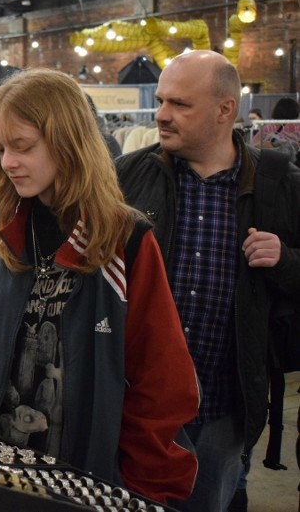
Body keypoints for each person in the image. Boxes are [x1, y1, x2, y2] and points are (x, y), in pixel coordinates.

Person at [0, 68, 199, 504]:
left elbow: (159, 379)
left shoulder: (124, 240)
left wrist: (141, 488)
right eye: (1, 149)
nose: (7, 163)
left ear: (67, 141)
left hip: (81, 477)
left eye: (22, 147)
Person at [116, 50, 300, 512]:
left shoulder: (278, 183)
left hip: (224, 406)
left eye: (179, 104)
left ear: (225, 110)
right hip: (136, 407)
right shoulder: (127, 177)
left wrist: (285, 259)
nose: (161, 115)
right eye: (160, 101)